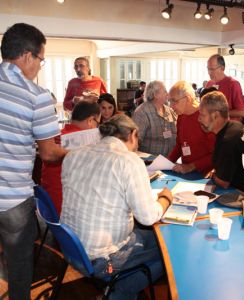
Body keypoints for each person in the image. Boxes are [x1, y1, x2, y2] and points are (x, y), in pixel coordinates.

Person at [60, 114, 172, 299]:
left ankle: (114, 289)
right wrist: (165, 199)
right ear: (133, 134)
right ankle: (118, 292)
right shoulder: (129, 160)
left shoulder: (74, 154)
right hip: (102, 259)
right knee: (169, 251)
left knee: (150, 236)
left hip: (72, 248)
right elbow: (148, 217)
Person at [0, 23, 68, 300]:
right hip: (13, 199)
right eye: (41, 60)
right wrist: (74, 152)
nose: (40, 66)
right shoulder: (36, 96)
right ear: (27, 56)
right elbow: (49, 154)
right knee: (18, 265)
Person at [198, 91, 244, 199]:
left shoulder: (227, 140)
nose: (199, 119)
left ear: (215, 115)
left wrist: (214, 175)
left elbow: (223, 182)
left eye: (202, 114)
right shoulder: (235, 125)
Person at [41, 101, 100, 215]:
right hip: (67, 212)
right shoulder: (85, 141)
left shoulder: (57, 137)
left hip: (49, 207)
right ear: (90, 121)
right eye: (97, 123)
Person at [168, 81, 215, 175]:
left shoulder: (205, 117)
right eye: (170, 101)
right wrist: (167, 162)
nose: (171, 106)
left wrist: (191, 166)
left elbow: (216, 154)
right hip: (186, 173)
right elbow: (180, 144)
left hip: (204, 175)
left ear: (188, 99)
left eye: (174, 101)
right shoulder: (181, 115)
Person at [133, 80, 177, 156]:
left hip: (170, 160)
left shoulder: (169, 110)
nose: (168, 94)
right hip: (150, 162)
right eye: (165, 91)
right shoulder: (142, 112)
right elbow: (135, 141)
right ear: (156, 94)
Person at [206, 54, 244, 122]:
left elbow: (242, 112)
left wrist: (220, 114)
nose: (209, 72)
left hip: (229, 128)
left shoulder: (233, 84)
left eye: (212, 69)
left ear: (222, 68)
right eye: (208, 69)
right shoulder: (209, 84)